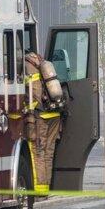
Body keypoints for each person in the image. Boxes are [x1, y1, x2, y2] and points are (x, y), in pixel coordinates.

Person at [23, 50, 65, 194]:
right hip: (55, 114)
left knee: (37, 152)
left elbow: (34, 94)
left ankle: (39, 192)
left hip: (40, 116)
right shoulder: (43, 62)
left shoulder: (26, 66)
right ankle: (46, 189)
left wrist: (27, 112)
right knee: (49, 152)